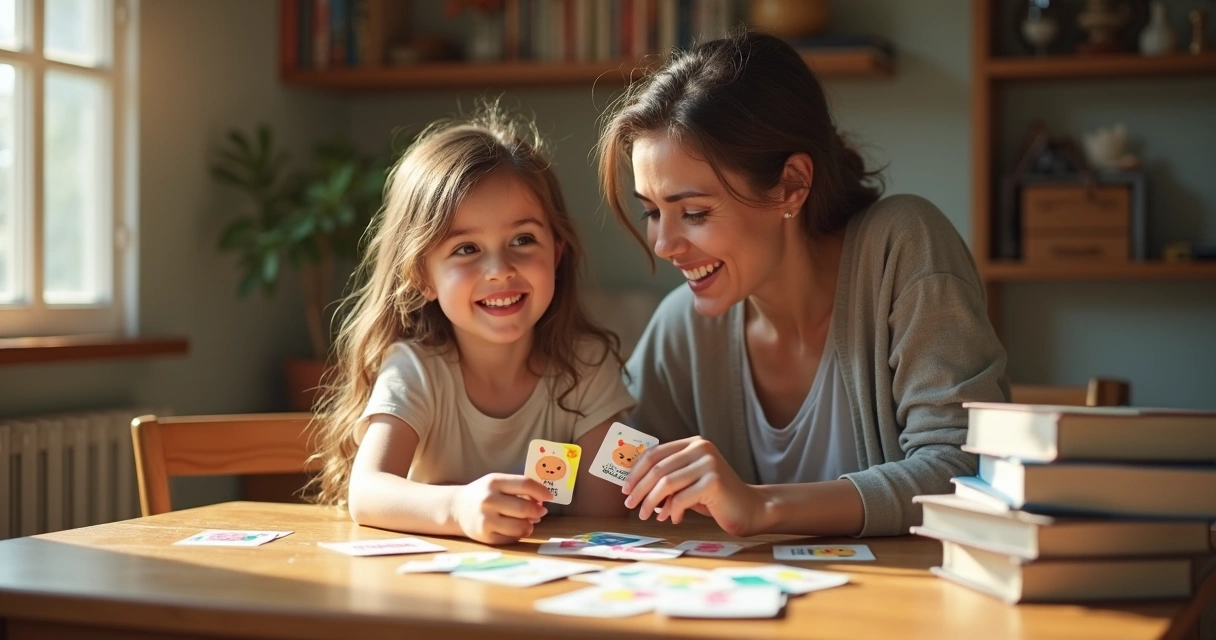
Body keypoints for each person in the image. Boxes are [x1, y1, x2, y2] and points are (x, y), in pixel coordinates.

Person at [597, 31, 1010, 539]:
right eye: (652, 212)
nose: (663, 245)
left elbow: (963, 470)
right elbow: (600, 473)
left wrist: (761, 507)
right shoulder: (682, 327)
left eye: (695, 212)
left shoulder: (901, 246)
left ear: (791, 184)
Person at [311, 108, 634, 545]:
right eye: (466, 248)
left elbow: (606, 514)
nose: (499, 270)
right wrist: (458, 509)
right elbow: (366, 493)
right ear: (421, 276)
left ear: (556, 253)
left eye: (523, 240)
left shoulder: (590, 366)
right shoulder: (415, 369)